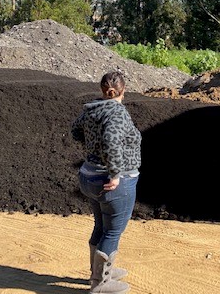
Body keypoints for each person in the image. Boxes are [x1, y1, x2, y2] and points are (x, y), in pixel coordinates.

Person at [72, 71, 141, 294]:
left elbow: (75, 130)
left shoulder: (93, 109)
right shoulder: (117, 113)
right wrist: (115, 174)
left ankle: (98, 271)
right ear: (123, 90)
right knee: (112, 232)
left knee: (101, 226)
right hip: (110, 183)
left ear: (102, 90)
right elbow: (111, 141)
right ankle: (100, 284)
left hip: (89, 176)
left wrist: (93, 148)